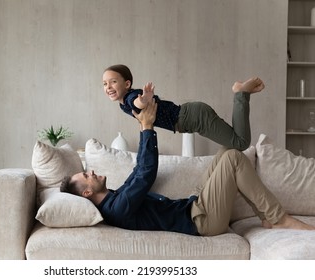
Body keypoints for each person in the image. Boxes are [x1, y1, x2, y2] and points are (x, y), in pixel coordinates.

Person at [60, 99, 315, 236]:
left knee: (228, 151)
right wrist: (147, 128)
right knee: (235, 159)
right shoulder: (119, 208)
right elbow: (146, 174)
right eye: (86, 175)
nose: (90, 171)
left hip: (196, 206)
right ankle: (279, 218)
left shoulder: (116, 198)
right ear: (86, 193)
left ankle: (267, 218)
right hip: (203, 221)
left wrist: (144, 125)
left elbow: (139, 171)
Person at [102, 64, 265, 151]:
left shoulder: (131, 97)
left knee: (241, 143)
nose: (108, 86)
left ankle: (241, 93)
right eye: (104, 83)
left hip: (193, 118)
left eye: (113, 82)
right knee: (233, 141)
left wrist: (144, 99)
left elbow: (137, 103)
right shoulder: (123, 105)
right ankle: (240, 93)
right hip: (192, 116)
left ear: (127, 83)